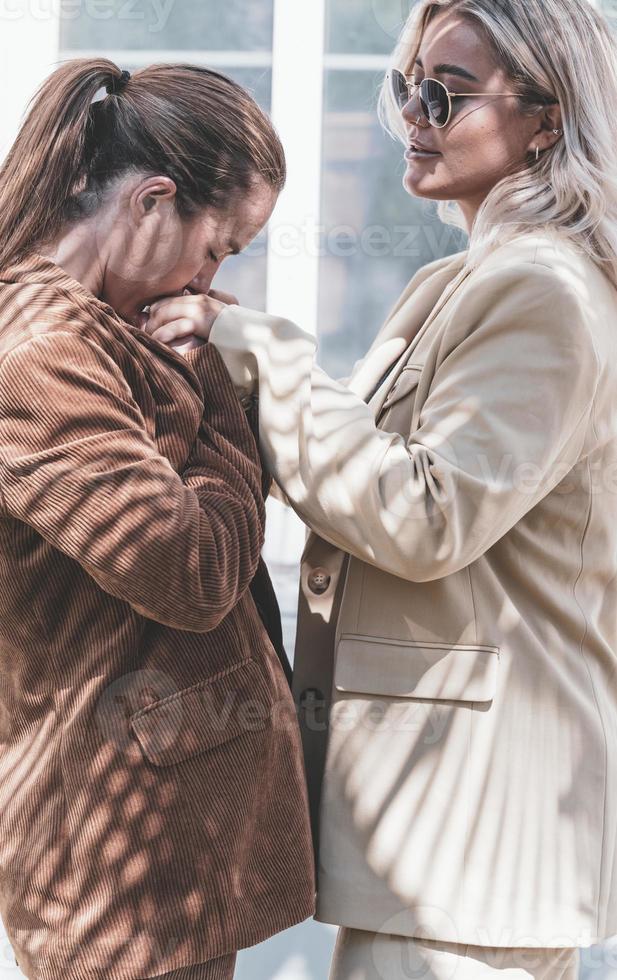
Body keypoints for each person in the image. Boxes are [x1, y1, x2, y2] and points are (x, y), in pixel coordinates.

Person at [143, 0, 617, 978]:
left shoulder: (543, 289)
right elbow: (357, 474)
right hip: (427, 825)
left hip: (472, 832)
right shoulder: (455, 283)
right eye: (405, 84)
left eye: (444, 93)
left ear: (546, 117)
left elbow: (423, 516)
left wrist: (263, 354)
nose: (413, 114)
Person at [0, 60, 315, 980]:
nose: (213, 284)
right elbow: (188, 571)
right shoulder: (45, 354)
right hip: (114, 867)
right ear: (150, 201)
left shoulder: (93, 327)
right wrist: (217, 389)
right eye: (219, 248)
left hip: (152, 851)